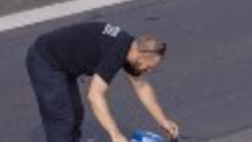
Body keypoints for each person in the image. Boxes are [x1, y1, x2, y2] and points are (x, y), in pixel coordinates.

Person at [25, 22, 179, 142]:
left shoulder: (131, 50)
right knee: (62, 118)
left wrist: (162, 120)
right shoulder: (116, 52)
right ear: (141, 55)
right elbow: (95, 95)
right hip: (45, 60)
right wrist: (115, 134)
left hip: (64, 65)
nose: (149, 70)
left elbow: (141, 86)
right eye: (149, 66)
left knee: (75, 113)